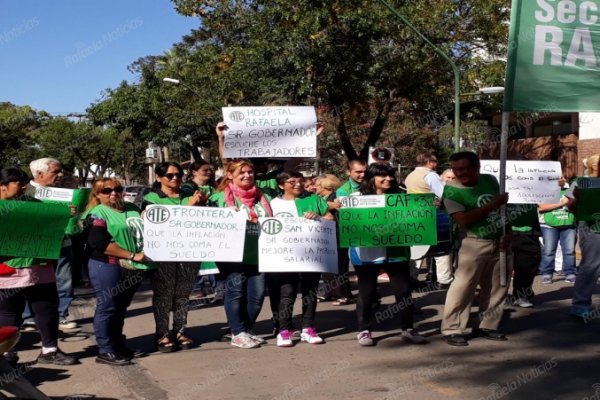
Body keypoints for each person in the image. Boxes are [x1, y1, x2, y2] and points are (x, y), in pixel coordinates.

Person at [0, 167, 77, 366]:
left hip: (38, 267)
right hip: (8, 270)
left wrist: (63, 215)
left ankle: (49, 350)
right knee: (10, 312)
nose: (24, 187)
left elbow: (52, 226)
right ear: (2, 186)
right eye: (19, 183)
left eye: (25, 183)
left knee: (47, 308)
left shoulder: (34, 204)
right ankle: (7, 353)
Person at [350, 163, 428, 346]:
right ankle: (364, 330)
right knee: (366, 292)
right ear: (372, 178)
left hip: (396, 251)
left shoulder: (402, 197)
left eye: (390, 175)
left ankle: (408, 328)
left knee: (403, 291)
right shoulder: (355, 198)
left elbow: (415, 217)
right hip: (366, 253)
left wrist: (428, 208)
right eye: (382, 176)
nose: (388, 179)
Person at [441, 151, 512, 347]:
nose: (458, 173)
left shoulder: (490, 180)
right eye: (455, 169)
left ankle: (487, 325)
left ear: (476, 168)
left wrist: (509, 232)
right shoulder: (451, 191)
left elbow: (503, 209)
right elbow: (462, 219)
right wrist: (493, 204)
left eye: (463, 169)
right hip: (472, 241)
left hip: (500, 240)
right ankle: (452, 328)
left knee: (498, 286)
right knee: (463, 286)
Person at [84, 178, 153, 366]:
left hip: (132, 267)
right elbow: (98, 243)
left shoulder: (132, 208)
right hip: (107, 265)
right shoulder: (97, 213)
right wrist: (132, 255)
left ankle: (117, 344)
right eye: (106, 191)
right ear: (97, 195)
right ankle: (105, 350)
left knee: (120, 307)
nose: (113, 193)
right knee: (108, 307)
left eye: (117, 189)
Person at [209, 159, 273, 348]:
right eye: (241, 173)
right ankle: (237, 332)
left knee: (258, 294)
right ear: (230, 175)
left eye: (250, 172)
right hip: (232, 254)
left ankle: (245, 329)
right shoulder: (220, 198)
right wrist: (225, 216)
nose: (247, 175)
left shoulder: (262, 197)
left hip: (259, 252)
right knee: (236, 292)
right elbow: (207, 224)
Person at [142, 162, 206, 352]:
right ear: (159, 178)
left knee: (183, 294)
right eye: (169, 176)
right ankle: (161, 333)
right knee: (163, 294)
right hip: (163, 254)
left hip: (189, 253)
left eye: (178, 174)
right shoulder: (152, 198)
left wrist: (200, 205)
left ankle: (180, 330)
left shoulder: (189, 196)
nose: (175, 178)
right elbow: (151, 223)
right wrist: (189, 207)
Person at [268, 171, 333, 347]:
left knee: (310, 291)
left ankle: (308, 328)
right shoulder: (272, 204)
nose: (298, 184)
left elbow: (330, 218)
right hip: (284, 256)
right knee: (287, 292)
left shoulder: (314, 199)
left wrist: (318, 217)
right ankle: (284, 330)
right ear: (281, 185)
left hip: (312, 254)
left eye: (300, 181)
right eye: (292, 181)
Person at [23, 158, 78, 331]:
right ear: (40, 174)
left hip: (62, 242)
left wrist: (74, 212)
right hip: (36, 245)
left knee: (64, 280)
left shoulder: (62, 192)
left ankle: (61, 315)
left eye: (60, 171)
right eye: (56, 171)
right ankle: (28, 318)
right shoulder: (25, 191)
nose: (60, 175)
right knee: (30, 279)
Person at [405, 153, 453, 288]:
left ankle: (411, 277)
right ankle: (444, 280)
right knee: (441, 249)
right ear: (429, 162)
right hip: (433, 215)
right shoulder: (430, 175)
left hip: (414, 215)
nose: (436, 164)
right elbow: (444, 193)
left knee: (417, 248)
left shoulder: (410, 176)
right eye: (435, 161)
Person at [566, 155, 600, 318]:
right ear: (594, 166)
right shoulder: (580, 182)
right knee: (591, 264)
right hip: (590, 227)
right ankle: (580, 304)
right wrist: (578, 200)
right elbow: (570, 205)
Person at [181, 159, 219, 300]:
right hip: (194, 229)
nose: (208, 172)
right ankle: (197, 288)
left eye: (210, 170)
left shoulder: (213, 186)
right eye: (205, 170)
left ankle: (217, 288)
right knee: (196, 256)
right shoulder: (187, 188)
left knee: (214, 255)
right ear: (194, 172)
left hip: (213, 228)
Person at [314, 174, 355, 304]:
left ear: (326, 185)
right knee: (326, 267)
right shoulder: (320, 198)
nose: (315, 187)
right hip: (324, 237)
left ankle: (344, 294)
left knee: (340, 266)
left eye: (317, 184)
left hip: (338, 235)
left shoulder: (336, 198)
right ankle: (329, 292)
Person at [537, 177, 577, 284]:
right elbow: (541, 207)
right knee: (549, 251)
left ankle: (570, 273)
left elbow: (576, 205)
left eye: (562, 177)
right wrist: (562, 203)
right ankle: (547, 274)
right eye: (558, 177)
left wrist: (571, 202)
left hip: (568, 224)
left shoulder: (571, 188)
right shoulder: (545, 190)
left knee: (569, 251)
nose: (561, 179)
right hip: (548, 225)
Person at [508, 204, 542, 308]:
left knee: (528, 264)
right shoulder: (499, 187)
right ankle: (495, 297)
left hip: (528, 232)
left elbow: (553, 191)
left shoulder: (537, 187)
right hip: (504, 231)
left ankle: (521, 295)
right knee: (498, 267)